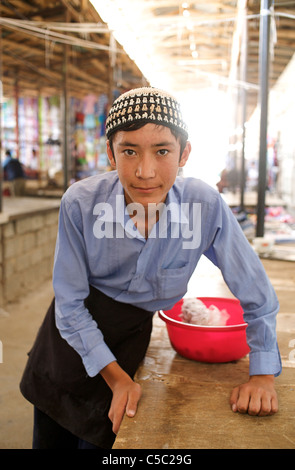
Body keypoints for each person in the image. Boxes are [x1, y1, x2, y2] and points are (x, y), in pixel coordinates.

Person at [20, 87, 281, 450]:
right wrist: (117, 379)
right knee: (54, 437)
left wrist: (263, 376)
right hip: (67, 345)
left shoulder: (203, 206)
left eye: (162, 151)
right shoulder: (80, 204)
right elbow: (69, 305)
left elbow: (258, 294)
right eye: (129, 151)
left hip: (131, 340)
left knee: (109, 444)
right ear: (110, 153)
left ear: (184, 153)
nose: (145, 172)